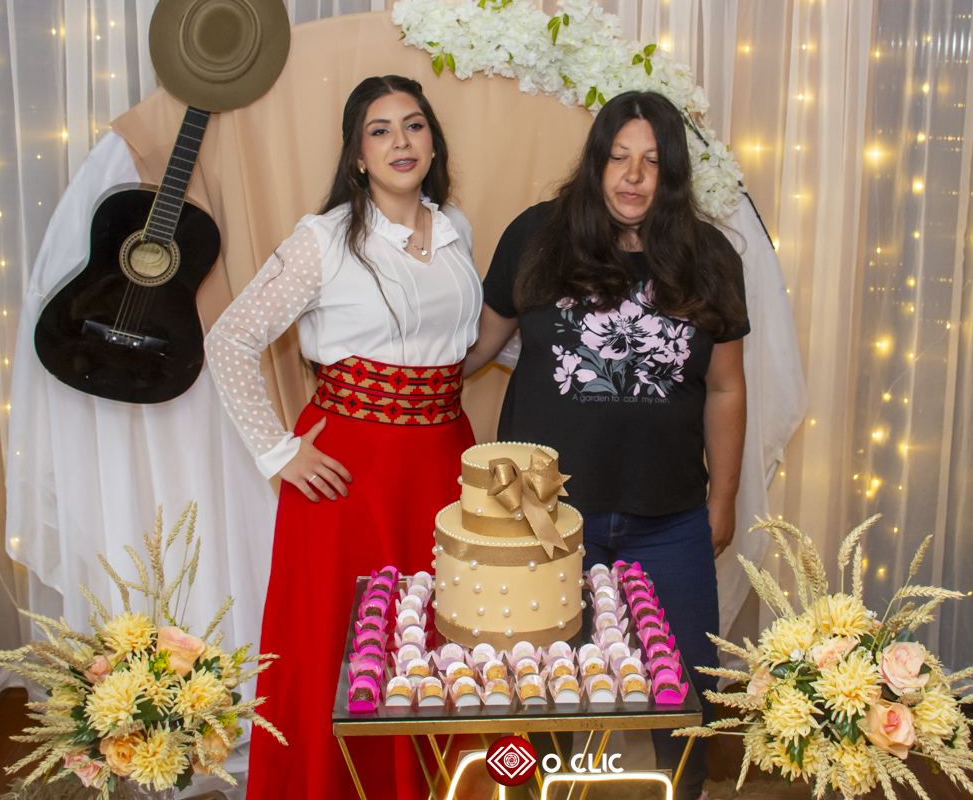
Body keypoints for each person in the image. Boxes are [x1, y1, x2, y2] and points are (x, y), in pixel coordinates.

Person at [463, 90, 748, 799]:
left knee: (688, 699)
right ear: (596, 162)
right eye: (619, 157)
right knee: (538, 692)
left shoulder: (710, 257)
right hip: (541, 521)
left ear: (672, 173)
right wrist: (379, 372)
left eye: (652, 161)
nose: (633, 176)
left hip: (670, 520)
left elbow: (725, 387)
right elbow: (474, 350)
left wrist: (723, 498)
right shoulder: (537, 236)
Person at [206, 75, 481, 800]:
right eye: (379, 131)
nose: (400, 142)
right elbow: (230, 339)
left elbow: (462, 338)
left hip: (444, 463)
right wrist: (279, 451)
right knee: (349, 642)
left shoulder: (455, 228)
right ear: (357, 155)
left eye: (414, 125)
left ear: (433, 142)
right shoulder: (323, 240)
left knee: (441, 638)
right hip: (351, 473)